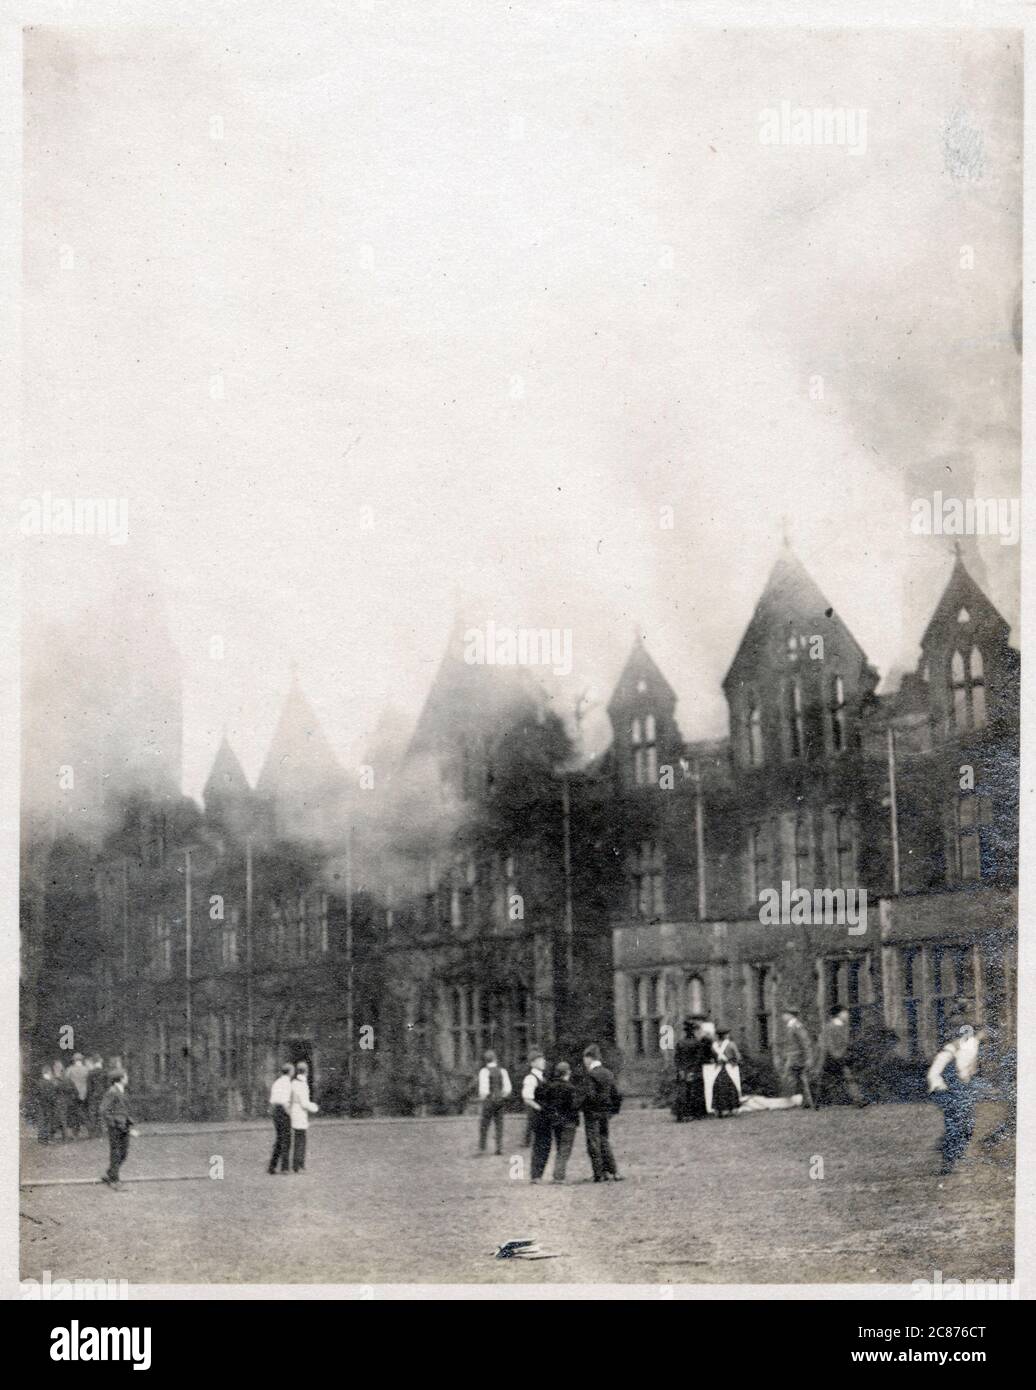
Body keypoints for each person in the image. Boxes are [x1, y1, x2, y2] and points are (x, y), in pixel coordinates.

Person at [928, 1017, 981, 1175]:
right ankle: (947, 1162)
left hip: (956, 1088)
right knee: (956, 1126)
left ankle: (950, 1150)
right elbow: (938, 1073)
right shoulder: (951, 1050)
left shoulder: (970, 1046)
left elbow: (966, 1070)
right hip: (943, 1089)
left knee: (967, 1125)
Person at [579, 1044, 623, 1183]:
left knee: (593, 1142)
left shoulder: (591, 1075)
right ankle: (613, 1171)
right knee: (604, 1141)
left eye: (585, 1058)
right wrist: (613, 1110)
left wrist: (582, 1107)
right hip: (605, 1113)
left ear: (589, 1058)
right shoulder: (608, 1073)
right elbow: (616, 1094)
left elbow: (590, 1096)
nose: (584, 1062)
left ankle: (599, 1173)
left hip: (592, 1113)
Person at [535, 1061, 581, 1183]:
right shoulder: (571, 1088)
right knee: (565, 1150)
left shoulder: (550, 1087)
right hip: (569, 1122)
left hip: (556, 1122)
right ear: (567, 1073)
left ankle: (557, 1174)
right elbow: (574, 1105)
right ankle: (558, 1176)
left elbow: (546, 1103)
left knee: (560, 1148)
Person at [818, 1005, 866, 1107]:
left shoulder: (845, 1026)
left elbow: (846, 1042)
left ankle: (858, 1100)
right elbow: (829, 1043)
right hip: (831, 1057)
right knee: (825, 1080)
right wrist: (836, 1054)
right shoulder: (829, 1027)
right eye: (845, 1012)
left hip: (842, 1056)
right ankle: (816, 1101)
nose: (847, 1015)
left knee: (848, 1078)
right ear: (838, 1014)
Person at [99, 1070, 137, 1188]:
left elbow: (123, 1109)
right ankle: (114, 1180)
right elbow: (103, 1110)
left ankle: (111, 1173)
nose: (127, 1078)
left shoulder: (121, 1090)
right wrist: (114, 1123)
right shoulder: (112, 1092)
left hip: (123, 1126)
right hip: (116, 1128)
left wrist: (128, 1121)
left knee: (123, 1153)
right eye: (125, 1076)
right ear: (120, 1079)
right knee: (116, 1153)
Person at [476, 1050, 512, 1156]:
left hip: (489, 1100)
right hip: (500, 1100)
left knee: (484, 1124)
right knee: (499, 1124)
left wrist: (483, 1099)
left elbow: (484, 1089)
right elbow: (508, 1088)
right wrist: (503, 1096)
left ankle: (482, 1148)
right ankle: (499, 1147)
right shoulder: (503, 1071)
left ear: (486, 1060)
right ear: (495, 1059)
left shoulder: (484, 1071)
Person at [780, 1008, 815, 1109]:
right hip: (793, 1057)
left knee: (790, 1078)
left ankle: (787, 1102)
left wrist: (809, 1057)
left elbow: (805, 1042)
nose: (783, 1017)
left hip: (797, 1057)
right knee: (800, 1079)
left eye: (784, 1014)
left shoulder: (796, 1026)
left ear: (790, 1015)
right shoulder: (791, 1026)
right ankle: (807, 1102)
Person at [289, 1061, 319, 1173]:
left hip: (294, 1112)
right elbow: (304, 1103)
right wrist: (315, 1107)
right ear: (306, 1071)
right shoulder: (302, 1084)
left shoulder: (293, 1083)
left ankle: (297, 1164)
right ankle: (298, 1164)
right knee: (301, 1139)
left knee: (298, 1138)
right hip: (300, 1113)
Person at [268, 1063, 295, 1174]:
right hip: (283, 1111)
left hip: (275, 1110)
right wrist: (290, 1114)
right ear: (289, 1072)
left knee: (279, 1139)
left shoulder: (277, 1082)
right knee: (286, 1140)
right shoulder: (287, 1083)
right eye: (292, 1070)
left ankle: (272, 1166)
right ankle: (285, 1168)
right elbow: (284, 1101)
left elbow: (272, 1100)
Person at [711, 1029, 743, 1116]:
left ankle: (720, 1109)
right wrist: (735, 1062)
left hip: (719, 1068)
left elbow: (712, 1058)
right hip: (730, 1067)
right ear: (725, 1035)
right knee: (732, 1088)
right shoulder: (731, 1044)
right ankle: (733, 1108)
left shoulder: (714, 1046)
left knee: (718, 1088)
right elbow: (738, 1057)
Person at [672, 1020, 698, 1122]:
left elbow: (676, 1058)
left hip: (682, 1071)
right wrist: (692, 1071)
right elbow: (697, 1059)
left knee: (681, 1093)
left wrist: (680, 1070)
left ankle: (680, 1114)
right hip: (692, 1071)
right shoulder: (696, 1043)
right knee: (691, 1093)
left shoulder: (680, 1043)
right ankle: (689, 1114)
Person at [521, 1051, 547, 1151]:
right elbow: (527, 1098)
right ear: (532, 1063)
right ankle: (528, 1142)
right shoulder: (530, 1078)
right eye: (539, 1060)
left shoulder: (542, 1077)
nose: (543, 1062)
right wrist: (539, 1107)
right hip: (536, 1111)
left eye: (543, 1059)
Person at [65, 1053, 91, 1137]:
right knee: (84, 1112)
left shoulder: (70, 1069)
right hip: (84, 1094)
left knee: (74, 1113)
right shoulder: (86, 1069)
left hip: (73, 1094)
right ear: (81, 1060)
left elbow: (66, 1079)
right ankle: (88, 1129)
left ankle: (75, 1132)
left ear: (74, 1060)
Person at [34, 1066, 57, 1143]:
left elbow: (35, 1094)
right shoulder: (50, 1083)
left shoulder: (39, 1082)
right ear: (48, 1073)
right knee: (48, 1121)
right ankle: (47, 1138)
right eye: (50, 1073)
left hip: (40, 1105)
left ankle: (41, 1138)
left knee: (41, 1121)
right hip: (48, 1105)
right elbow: (52, 1096)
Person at [86, 1055, 107, 1137]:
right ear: (100, 1061)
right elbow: (107, 1085)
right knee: (102, 1112)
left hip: (94, 1095)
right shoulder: (104, 1071)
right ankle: (102, 1131)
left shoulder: (91, 1073)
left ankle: (94, 1132)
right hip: (103, 1094)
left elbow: (89, 1086)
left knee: (93, 1113)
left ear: (94, 1062)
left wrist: (90, 1095)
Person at [50, 1060, 70, 1142]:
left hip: (57, 1100)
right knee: (62, 1118)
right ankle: (64, 1137)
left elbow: (53, 1088)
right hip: (63, 1100)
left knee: (56, 1118)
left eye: (56, 1067)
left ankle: (53, 1135)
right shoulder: (65, 1077)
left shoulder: (55, 1078)